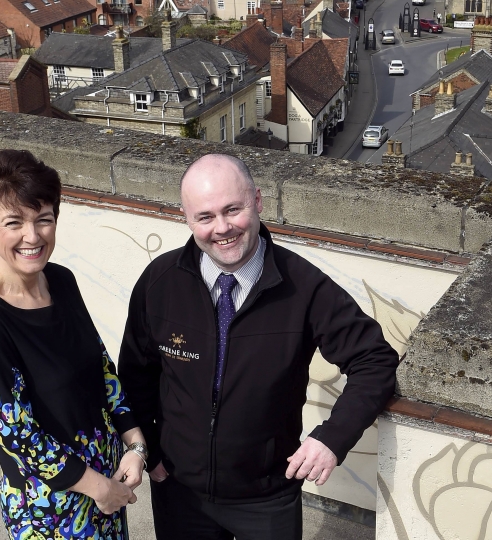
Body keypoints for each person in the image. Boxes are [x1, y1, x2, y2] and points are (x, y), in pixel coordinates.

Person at [118, 154, 399, 539]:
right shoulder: (160, 281)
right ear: (186, 218)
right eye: (205, 217)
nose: (222, 228)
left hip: (267, 499)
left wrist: (332, 439)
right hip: (179, 492)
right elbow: (136, 374)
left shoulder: (304, 286)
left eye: (233, 209)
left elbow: (375, 360)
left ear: (258, 201)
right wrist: (149, 452)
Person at [0, 149, 148, 539]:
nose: (33, 236)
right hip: (48, 508)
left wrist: (135, 441)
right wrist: (99, 488)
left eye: (44, 220)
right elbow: (15, 433)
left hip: (106, 482)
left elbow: (101, 367)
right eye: (14, 222)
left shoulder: (60, 280)